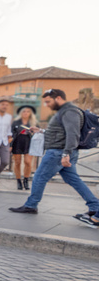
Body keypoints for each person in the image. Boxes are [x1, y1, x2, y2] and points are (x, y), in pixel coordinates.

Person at [9, 88, 99, 227]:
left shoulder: (69, 111)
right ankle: (94, 206)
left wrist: (66, 154)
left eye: (48, 101)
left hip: (58, 152)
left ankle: (31, 205)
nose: (46, 104)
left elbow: (73, 134)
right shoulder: (65, 112)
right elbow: (61, 132)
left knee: (39, 176)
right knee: (73, 179)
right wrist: (41, 131)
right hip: (61, 151)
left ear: (58, 98)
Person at [11, 105, 37, 190]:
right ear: (21, 113)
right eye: (24, 111)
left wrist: (33, 131)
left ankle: (26, 180)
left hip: (29, 143)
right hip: (17, 142)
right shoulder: (15, 122)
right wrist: (10, 145)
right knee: (17, 162)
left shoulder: (34, 122)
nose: (26, 113)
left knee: (28, 162)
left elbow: (39, 134)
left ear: (30, 113)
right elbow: (10, 134)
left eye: (28, 111)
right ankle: (18, 181)